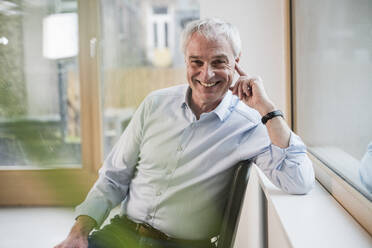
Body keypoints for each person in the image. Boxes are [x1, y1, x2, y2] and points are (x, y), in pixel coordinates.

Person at [55, 18, 315, 248]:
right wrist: (78, 232)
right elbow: (114, 176)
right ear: (186, 62)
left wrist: (267, 108)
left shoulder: (249, 124)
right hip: (122, 235)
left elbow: (298, 179)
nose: (207, 73)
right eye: (196, 62)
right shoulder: (155, 104)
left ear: (236, 62)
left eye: (218, 62)